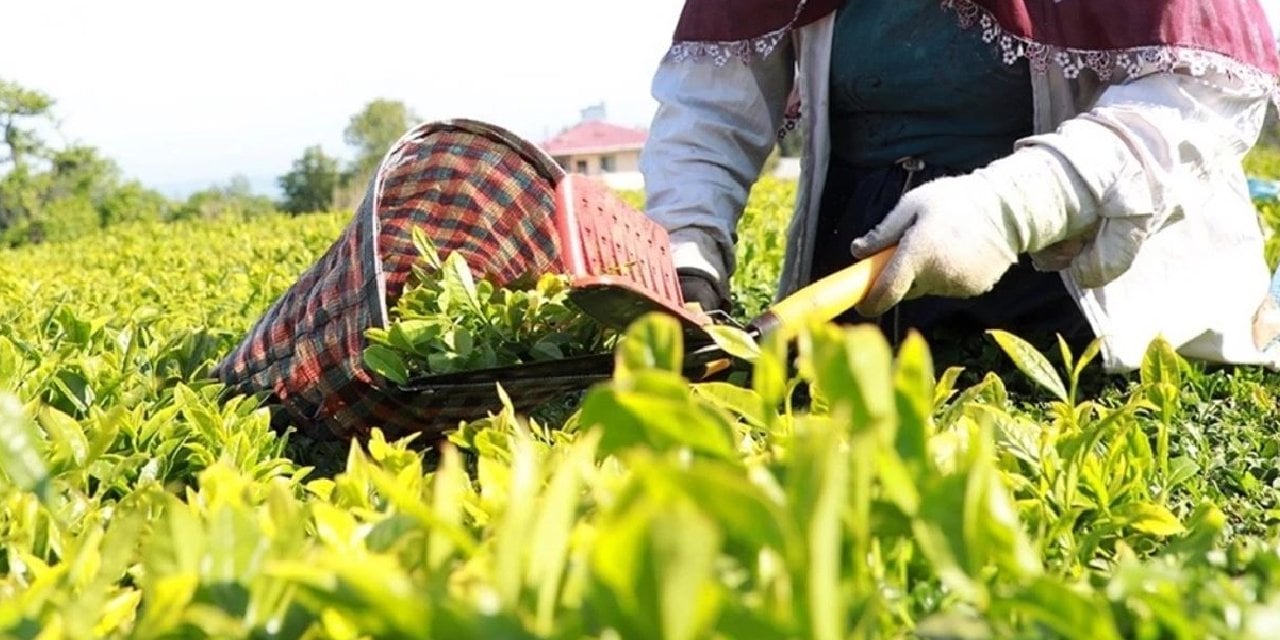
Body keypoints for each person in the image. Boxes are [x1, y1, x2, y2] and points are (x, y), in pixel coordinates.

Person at [640, 0, 1280, 372]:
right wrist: (688, 253)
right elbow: (710, 104)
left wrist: (1011, 207)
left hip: (1077, 284)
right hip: (860, 275)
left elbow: (1198, 99)